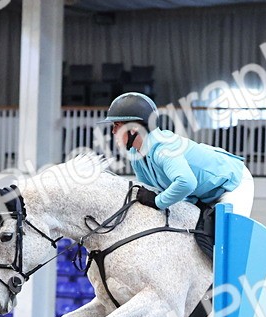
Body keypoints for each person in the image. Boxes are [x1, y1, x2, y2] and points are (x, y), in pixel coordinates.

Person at [98, 92, 255, 256]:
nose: (113, 131)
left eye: (116, 125)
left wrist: (157, 201)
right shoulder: (136, 157)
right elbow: (149, 191)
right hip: (201, 192)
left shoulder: (163, 148)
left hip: (232, 184)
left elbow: (186, 183)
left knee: (228, 242)